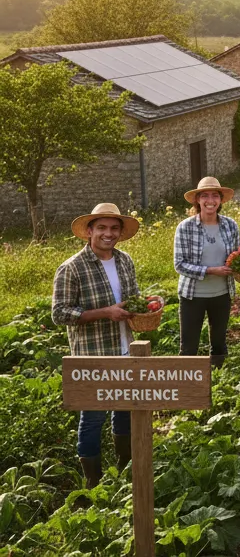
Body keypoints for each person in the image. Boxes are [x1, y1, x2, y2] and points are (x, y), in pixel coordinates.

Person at [52, 203, 140, 487]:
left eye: (114, 228)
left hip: (125, 348)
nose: (108, 233)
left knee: (125, 411)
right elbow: (60, 313)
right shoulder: (72, 268)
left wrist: (145, 309)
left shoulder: (125, 260)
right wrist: (106, 312)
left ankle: (124, 471)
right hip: (93, 355)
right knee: (92, 418)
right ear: (89, 231)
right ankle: (93, 483)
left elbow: (133, 298)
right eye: (101, 227)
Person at [173, 176, 240, 368]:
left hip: (222, 294)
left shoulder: (230, 225)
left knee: (219, 344)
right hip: (193, 295)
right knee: (189, 347)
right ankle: (188, 388)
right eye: (205, 195)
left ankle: (217, 384)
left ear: (220, 200)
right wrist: (211, 270)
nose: (210, 200)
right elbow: (180, 264)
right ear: (197, 200)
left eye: (214, 196)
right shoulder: (185, 228)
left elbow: (235, 257)